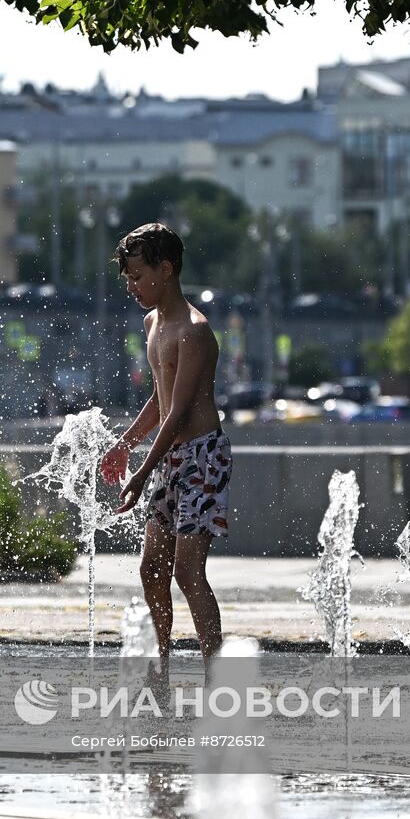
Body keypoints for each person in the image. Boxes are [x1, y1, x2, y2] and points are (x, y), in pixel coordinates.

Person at [98, 222, 228, 667]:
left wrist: (140, 471)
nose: (132, 287)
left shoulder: (194, 331)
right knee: (151, 572)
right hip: (170, 457)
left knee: (189, 573)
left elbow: (178, 415)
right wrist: (125, 445)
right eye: (127, 279)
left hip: (202, 458)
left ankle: (217, 678)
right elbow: (160, 397)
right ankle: (160, 671)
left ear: (166, 269)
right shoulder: (153, 323)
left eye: (137, 277)